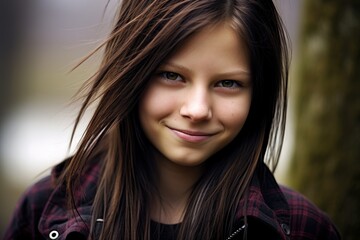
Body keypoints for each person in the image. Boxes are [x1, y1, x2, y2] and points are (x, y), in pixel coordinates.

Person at [4, 0, 341, 239]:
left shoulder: (303, 228)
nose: (197, 109)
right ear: (131, 73)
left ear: (258, 95)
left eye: (228, 84)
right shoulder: (44, 211)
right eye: (171, 76)